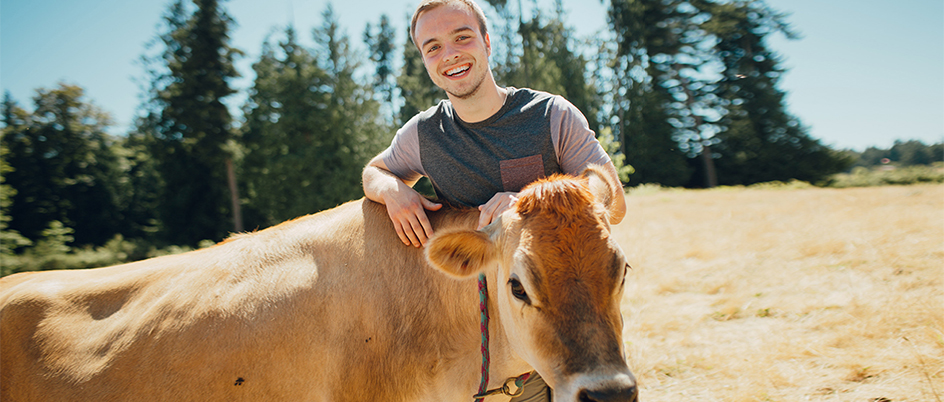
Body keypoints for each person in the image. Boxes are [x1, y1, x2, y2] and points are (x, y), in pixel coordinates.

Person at [361, 0, 627, 399]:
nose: (449, 54)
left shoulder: (551, 115)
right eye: (432, 47)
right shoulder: (424, 135)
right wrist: (392, 189)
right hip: (474, 335)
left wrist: (523, 205)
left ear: (486, 41)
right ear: (425, 60)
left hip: (564, 314)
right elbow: (373, 171)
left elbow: (614, 204)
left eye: (462, 37)